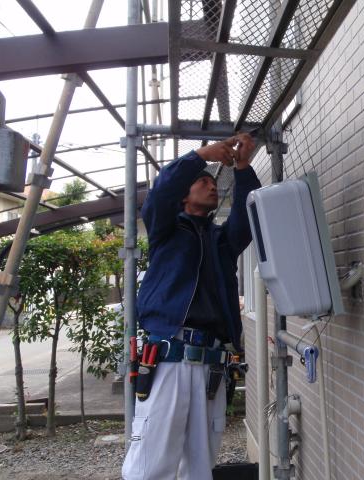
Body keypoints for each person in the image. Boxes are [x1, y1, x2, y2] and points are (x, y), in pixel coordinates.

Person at [122, 133, 261, 480]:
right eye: (203, 182)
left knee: (200, 467)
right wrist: (200, 156)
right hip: (170, 357)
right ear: (184, 195)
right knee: (151, 465)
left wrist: (243, 167)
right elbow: (160, 194)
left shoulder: (220, 241)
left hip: (212, 365)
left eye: (213, 183)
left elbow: (248, 219)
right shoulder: (166, 230)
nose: (212, 186)